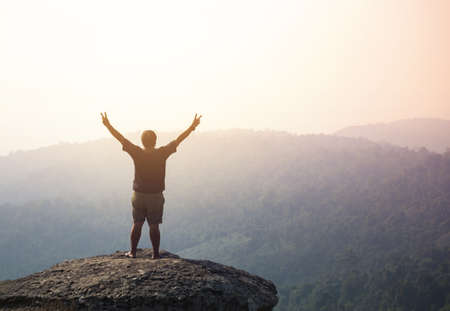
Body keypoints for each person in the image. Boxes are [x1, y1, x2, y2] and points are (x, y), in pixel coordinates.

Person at [101, 112, 202, 259]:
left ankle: (133, 252)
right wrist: (192, 126)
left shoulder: (136, 152)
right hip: (155, 195)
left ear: (142, 141)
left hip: (138, 194)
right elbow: (179, 139)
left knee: (137, 223)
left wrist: (108, 125)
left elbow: (121, 138)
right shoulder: (162, 153)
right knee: (154, 225)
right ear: (155, 141)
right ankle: (155, 254)